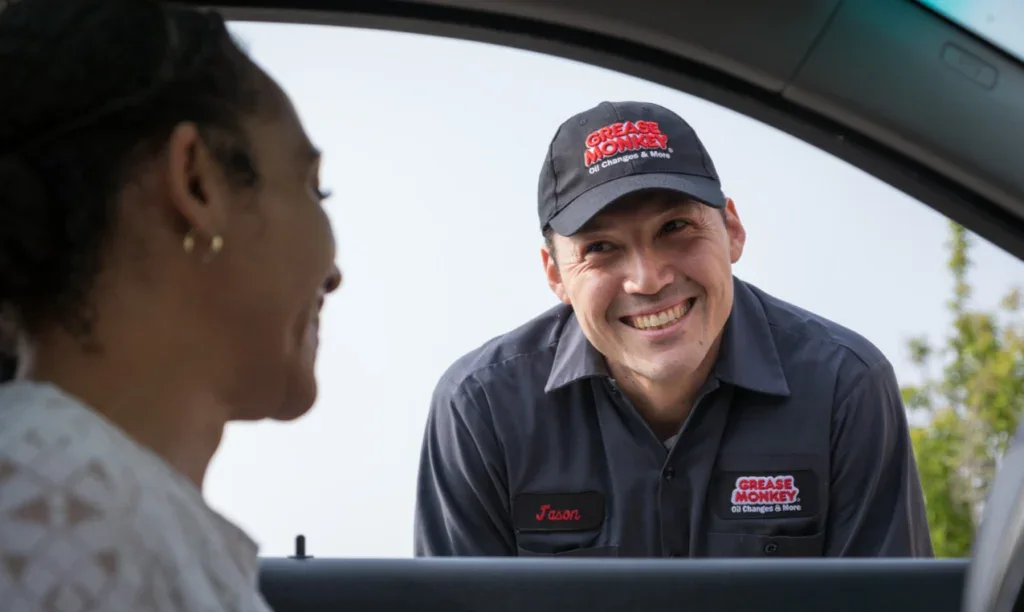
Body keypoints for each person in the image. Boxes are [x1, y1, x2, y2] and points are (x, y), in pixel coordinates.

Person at [413, 100, 933, 558]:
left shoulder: (845, 386)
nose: (648, 278)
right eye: (600, 248)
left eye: (675, 228)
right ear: (556, 276)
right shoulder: (480, 409)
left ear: (731, 230)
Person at [0, 0, 341, 609]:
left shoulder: (86, 496)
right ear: (196, 181)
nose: (334, 274)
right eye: (314, 187)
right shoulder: (64, 513)